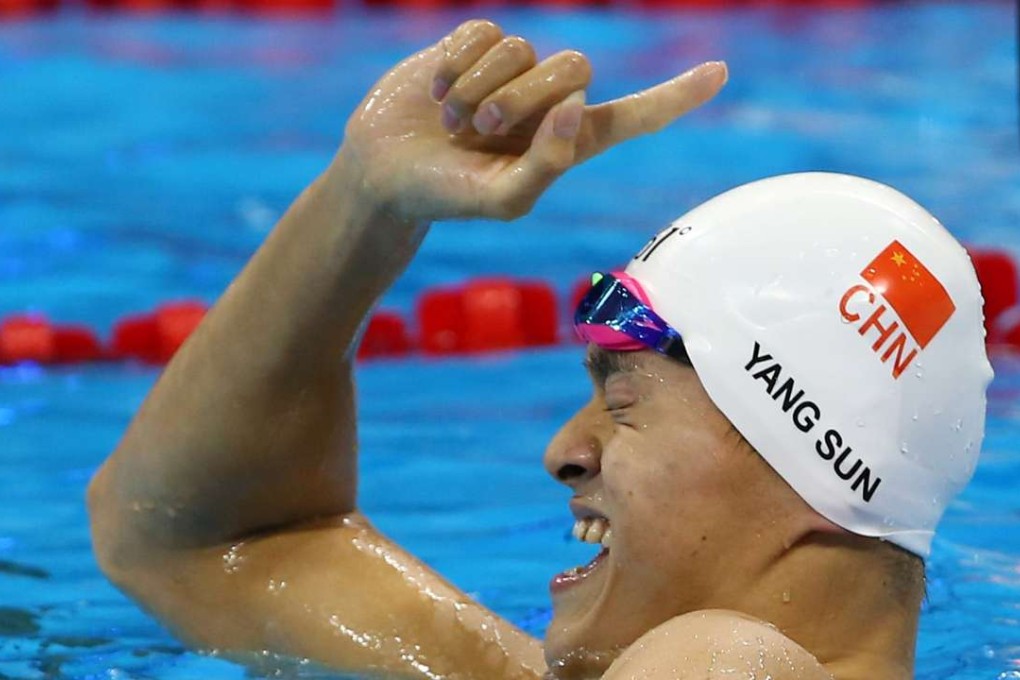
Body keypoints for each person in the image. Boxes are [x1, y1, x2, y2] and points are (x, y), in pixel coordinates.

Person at [86, 19, 992, 680]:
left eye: (624, 398)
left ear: (811, 469)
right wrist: (366, 203)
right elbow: (202, 541)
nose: (562, 450)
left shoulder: (721, 660)